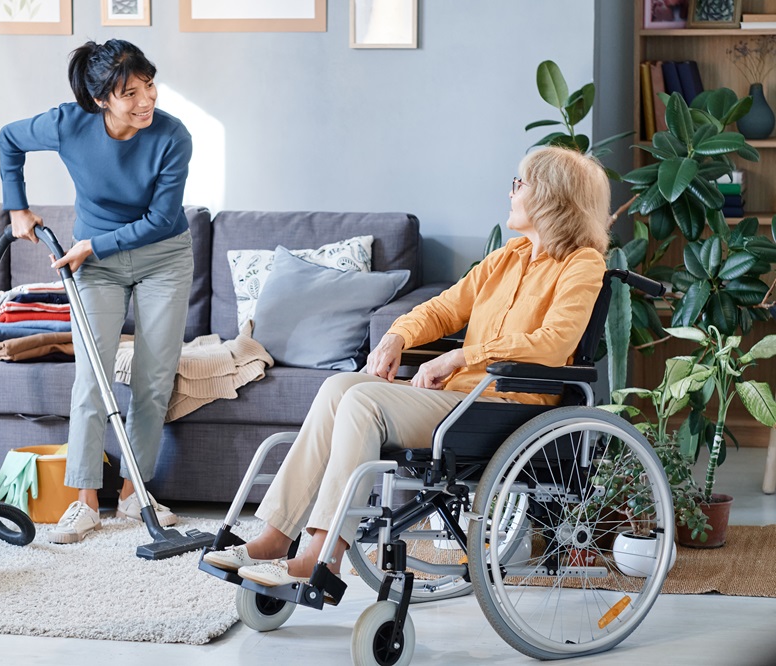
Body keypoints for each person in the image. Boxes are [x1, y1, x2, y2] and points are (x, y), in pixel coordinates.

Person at [204, 146, 611, 586]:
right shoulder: (505, 258)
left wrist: (462, 355)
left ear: (550, 197)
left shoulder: (582, 264)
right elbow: (440, 309)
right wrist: (398, 336)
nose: (511, 192)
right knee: (340, 386)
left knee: (361, 401)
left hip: (507, 406)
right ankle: (275, 536)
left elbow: (553, 344)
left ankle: (322, 556)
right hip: (461, 401)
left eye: (520, 184)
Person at [0, 39, 194, 544]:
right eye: (130, 92)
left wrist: (93, 246)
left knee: (153, 379)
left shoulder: (173, 136)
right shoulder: (68, 124)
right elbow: (8, 138)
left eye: (149, 85)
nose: (146, 99)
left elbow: (163, 220)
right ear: (101, 99)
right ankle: (84, 502)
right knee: (92, 378)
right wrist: (17, 208)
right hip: (96, 266)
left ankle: (133, 493)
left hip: (162, 258)